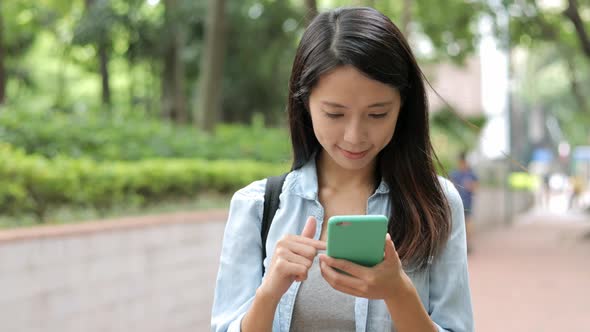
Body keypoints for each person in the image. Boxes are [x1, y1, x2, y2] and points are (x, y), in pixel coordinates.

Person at [211, 7, 473, 332]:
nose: (355, 136)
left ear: (403, 108)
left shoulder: (437, 203)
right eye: (335, 114)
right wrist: (268, 293)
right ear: (304, 105)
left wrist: (398, 293)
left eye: (377, 114)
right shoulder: (257, 207)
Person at [450, 152, 478, 252]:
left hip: (467, 202)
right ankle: (459, 244)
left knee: (468, 222)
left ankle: (468, 244)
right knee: (457, 223)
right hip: (457, 203)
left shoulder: (471, 174)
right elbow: (451, 186)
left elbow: (475, 188)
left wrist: (470, 186)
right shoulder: (455, 173)